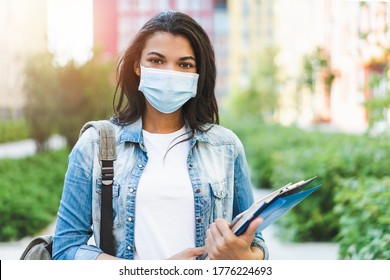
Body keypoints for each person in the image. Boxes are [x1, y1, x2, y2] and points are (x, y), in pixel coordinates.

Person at [53, 11, 269, 260]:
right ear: (137, 66)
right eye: (157, 61)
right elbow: (65, 249)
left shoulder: (226, 146)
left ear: (198, 75)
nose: (170, 72)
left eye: (185, 64)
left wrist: (246, 257)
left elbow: (257, 245)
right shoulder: (95, 144)